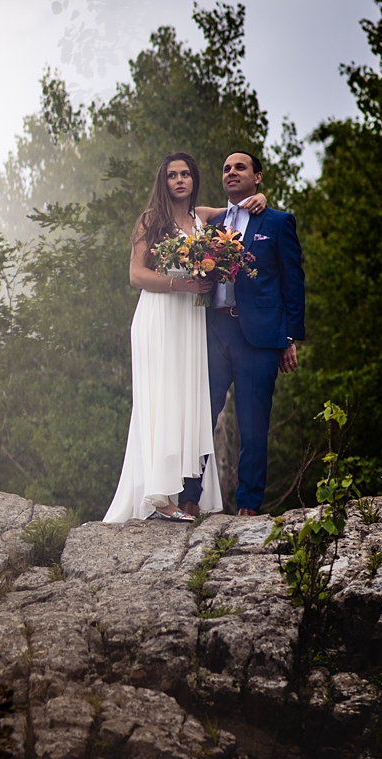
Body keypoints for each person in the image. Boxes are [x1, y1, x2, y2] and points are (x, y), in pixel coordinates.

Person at [102, 152, 265, 524]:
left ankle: (178, 492)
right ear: (163, 181)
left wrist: (261, 198)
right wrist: (180, 284)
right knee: (160, 399)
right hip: (160, 316)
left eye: (186, 174)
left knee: (184, 401)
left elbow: (235, 210)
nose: (179, 180)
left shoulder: (201, 218)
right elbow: (136, 275)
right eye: (172, 175)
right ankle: (158, 498)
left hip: (191, 322)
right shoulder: (151, 221)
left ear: (194, 180)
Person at [177, 151, 305, 517]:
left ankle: (248, 505)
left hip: (259, 337)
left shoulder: (279, 222)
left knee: (252, 426)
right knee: (201, 417)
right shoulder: (211, 223)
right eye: (226, 168)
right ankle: (189, 498)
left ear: (258, 177)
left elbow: (292, 282)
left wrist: (289, 339)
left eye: (240, 167)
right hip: (213, 331)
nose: (232, 172)